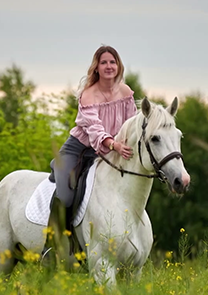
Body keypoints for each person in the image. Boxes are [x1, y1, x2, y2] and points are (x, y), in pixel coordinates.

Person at [46, 45, 137, 263]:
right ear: (96, 67)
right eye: (104, 62)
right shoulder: (88, 95)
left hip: (110, 151)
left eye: (112, 62)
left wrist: (126, 145)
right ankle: (53, 246)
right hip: (79, 149)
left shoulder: (126, 92)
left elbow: (132, 124)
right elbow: (95, 130)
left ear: (118, 65)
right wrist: (113, 144)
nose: (108, 66)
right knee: (65, 195)